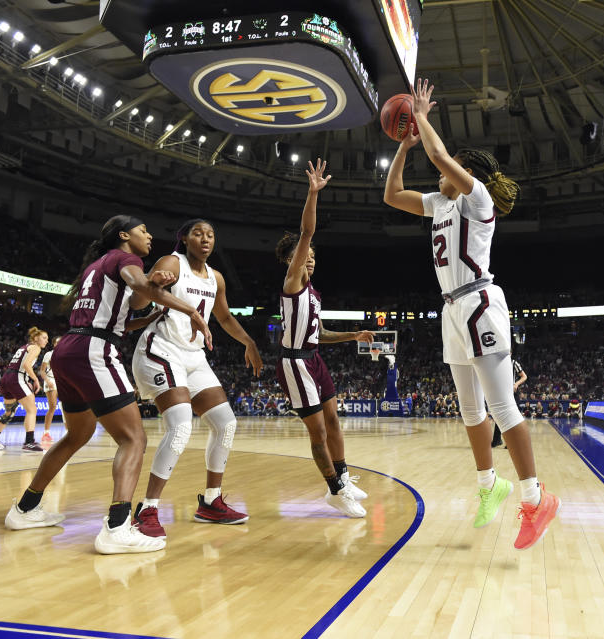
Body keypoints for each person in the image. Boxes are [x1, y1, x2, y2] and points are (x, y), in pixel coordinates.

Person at [383, 78, 560, 550]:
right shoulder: (440, 202)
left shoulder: (477, 199)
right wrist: (404, 146)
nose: (443, 172)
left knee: (502, 406)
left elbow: (441, 158)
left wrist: (421, 116)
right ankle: (490, 486)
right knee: (468, 409)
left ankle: (535, 497)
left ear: (468, 173)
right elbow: (392, 195)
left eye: (453, 169)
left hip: (480, 301)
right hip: (451, 309)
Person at [2, 214, 212, 555]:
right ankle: (117, 527)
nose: (150, 235)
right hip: (93, 350)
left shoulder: (96, 266)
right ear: (124, 235)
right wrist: (191, 311)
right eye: (144, 231)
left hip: (67, 350)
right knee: (133, 438)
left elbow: (124, 315)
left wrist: (149, 308)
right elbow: (141, 286)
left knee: (77, 435)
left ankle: (25, 507)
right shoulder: (126, 258)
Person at [131, 219, 264, 538]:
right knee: (181, 426)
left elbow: (225, 317)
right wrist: (154, 283)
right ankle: (147, 508)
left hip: (193, 356)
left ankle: (211, 502)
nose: (205, 239)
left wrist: (248, 341)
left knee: (225, 423)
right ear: (184, 239)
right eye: (198, 234)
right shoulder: (171, 263)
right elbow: (138, 303)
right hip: (160, 349)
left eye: (210, 234)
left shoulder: (216, 277)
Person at [275, 159, 374, 518]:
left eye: (314, 257)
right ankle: (334, 490)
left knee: (333, 421)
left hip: (314, 358)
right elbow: (306, 234)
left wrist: (353, 335)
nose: (311, 259)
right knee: (317, 432)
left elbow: (320, 334)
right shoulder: (292, 283)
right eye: (305, 256)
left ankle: (344, 477)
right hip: (294, 362)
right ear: (292, 261)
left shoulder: (313, 294)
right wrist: (313, 194)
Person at [0, 326, 49, 452]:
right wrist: (35, 379)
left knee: (9, 413)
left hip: (6, 378)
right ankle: (29, 442)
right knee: (32, 410)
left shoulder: (23, 347)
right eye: (44, 338)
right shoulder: (35, 347)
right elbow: (26, 365)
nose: (46, 341)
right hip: (17, 378)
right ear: (36, 338)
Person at [492, 358, 526, 447]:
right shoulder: (497, 363)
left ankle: (513, 441)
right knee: (499, 415)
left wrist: (516, 384)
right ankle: (497, 440)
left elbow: (524, 376)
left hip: (513, 392)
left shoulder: (514, 363)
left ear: (510, 353)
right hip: (502, 392)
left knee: (513, 416)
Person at [38, 336, 63, 445]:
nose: (59, 344)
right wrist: (47, 381)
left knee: (65, 406)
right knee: (52, 406)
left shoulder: (65, 355)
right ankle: (46, 433)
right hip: (51, 380)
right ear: (54, 344)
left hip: (61, 381)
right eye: (57, 342)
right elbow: (42, 371)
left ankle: (69, 431)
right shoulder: (49, 354)